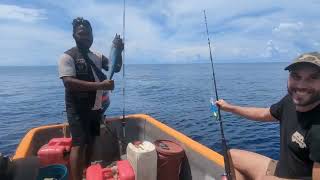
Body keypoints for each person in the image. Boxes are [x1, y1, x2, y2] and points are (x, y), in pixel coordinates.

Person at [216, 52, 320, 180]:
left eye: (313, 77)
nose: (301, 85)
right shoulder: (289, 101)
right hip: (281, 169)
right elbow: (264, 113)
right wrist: (230, 108)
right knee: (231, 156)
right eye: (296, 76)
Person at [58, 17, 122, 180]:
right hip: (78, 110)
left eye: (88, 34)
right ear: (74, 35)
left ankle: (86, 172)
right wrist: (101, 86)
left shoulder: (98, 56)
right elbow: (69, 83)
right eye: (81, 33)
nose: (86, 36)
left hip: (96, 108)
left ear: (92, 35)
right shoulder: (67, 56)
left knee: (92, 140)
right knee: (78, 145)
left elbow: (117, 67)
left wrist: (119, 52)